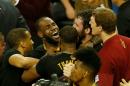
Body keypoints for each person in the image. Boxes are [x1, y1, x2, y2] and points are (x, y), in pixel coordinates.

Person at [89, 7, 130, 86]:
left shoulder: (104, 56)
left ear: (100, 28)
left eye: (92, 22)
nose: (90, 24)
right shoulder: (129, 41)